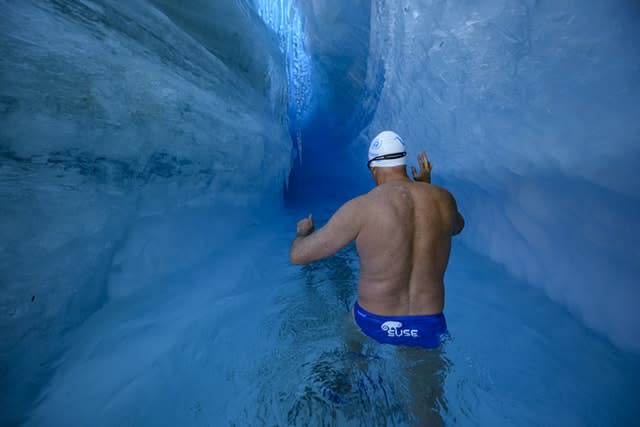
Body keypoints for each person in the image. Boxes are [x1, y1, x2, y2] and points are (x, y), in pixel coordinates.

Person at [289, 130, 464, 349]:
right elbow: (456, 227)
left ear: (373, 168)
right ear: (403, 162)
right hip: (429, 323)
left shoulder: (361, 207)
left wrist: (303, 233)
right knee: (426, 383)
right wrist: (427, 187)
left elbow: (299, 256)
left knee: (351, 351)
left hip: (373, 322)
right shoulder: (444, 200)